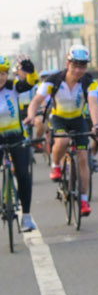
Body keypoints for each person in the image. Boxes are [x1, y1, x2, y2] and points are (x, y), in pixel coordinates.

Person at [29, 46, 98, 217]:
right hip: (59, 118)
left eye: (82, 66)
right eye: (75, 65)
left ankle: (83, 199)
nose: (78, 70)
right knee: (61, 141)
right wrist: (31, 116)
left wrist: (96, 125)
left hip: (78, 120)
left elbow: (93, 104)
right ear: (67, 63)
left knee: (83, 158)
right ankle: (56, 165)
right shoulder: (53, 80)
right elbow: (36, 101)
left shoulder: (89, 82)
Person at [0, 57, 36, 232]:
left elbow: (29, 83)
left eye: (3, 73)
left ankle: (26, 217)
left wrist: (30, 70)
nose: (0, 77)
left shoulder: (13, 86)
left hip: (16, 137)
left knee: (23, 174)